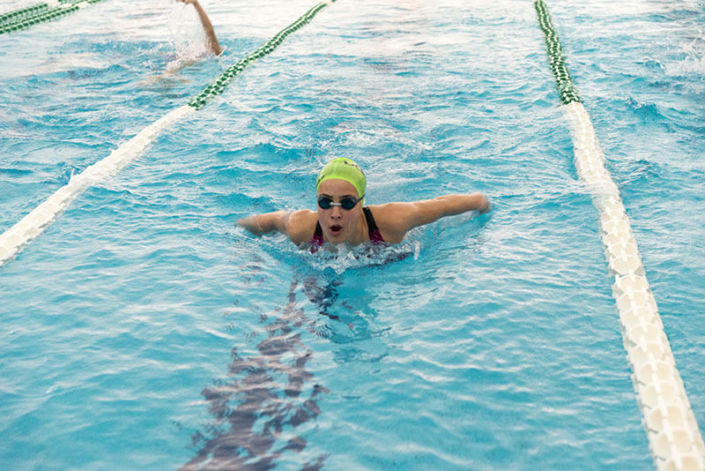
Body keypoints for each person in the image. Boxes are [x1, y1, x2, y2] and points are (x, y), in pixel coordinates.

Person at [238, 158, 490, 249]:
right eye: (325, 202)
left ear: (361, 204)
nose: (334, 213)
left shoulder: (393, 220)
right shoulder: (301, 226)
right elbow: (268, 221)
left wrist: (480, 202)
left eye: (347, 203)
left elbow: (441, 205)